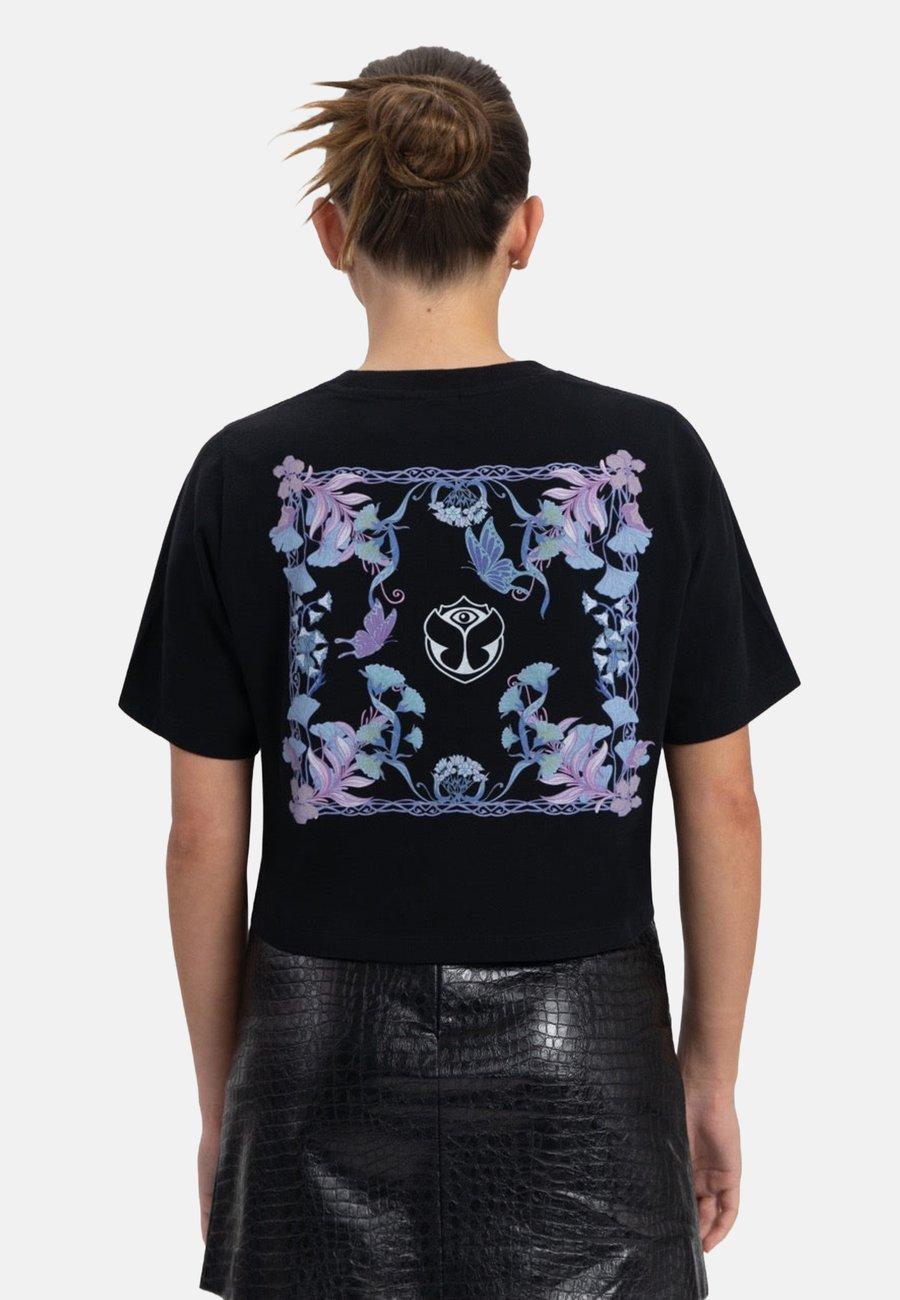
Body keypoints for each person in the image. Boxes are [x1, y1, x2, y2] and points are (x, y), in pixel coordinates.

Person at [120, 45, 799, 1300]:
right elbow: (727, 804)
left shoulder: (243, 475)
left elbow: (201, 836)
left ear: (334, 235)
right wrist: (707, 1075)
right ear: (524, 230)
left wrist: (228, 1104)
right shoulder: (650, 461)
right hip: (592, 1059)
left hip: (319, 1055)